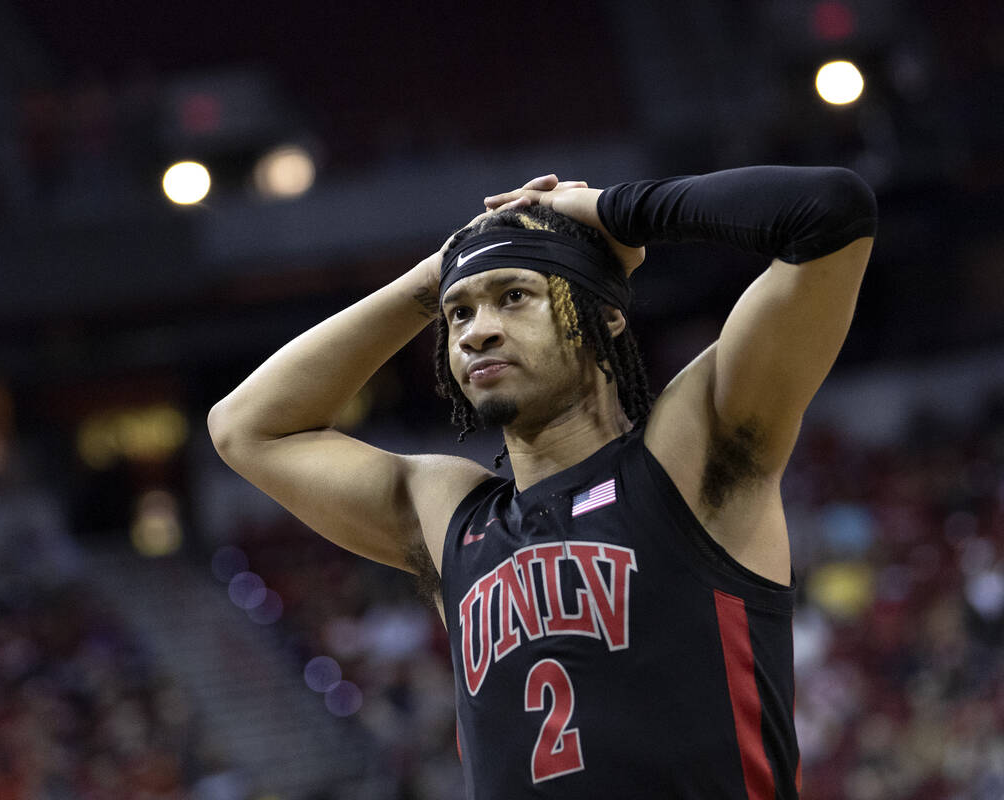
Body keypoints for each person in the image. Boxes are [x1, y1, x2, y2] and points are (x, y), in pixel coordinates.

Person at [208, 165, 877, 798]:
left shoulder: (689, 454)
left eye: (514, 296)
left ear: (605, 315)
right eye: (460, 314)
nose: (477, 332)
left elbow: (827, 212)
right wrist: (432, 277)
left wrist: (609, 211)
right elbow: (244, 428)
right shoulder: (450, 516)